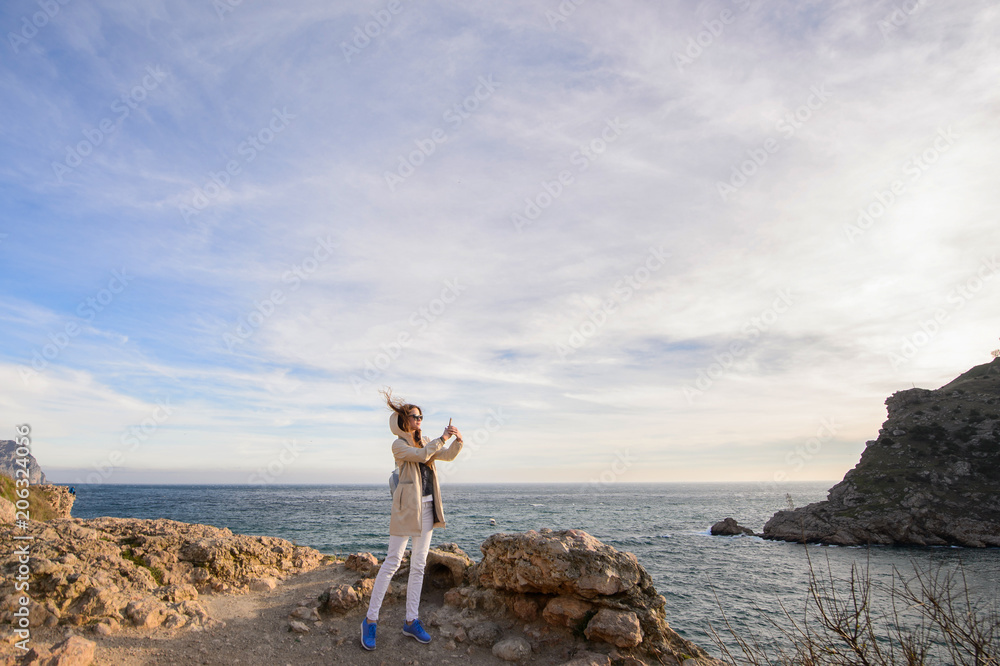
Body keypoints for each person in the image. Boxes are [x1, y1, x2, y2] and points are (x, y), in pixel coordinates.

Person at [361, 389, 463, 651]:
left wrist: (457, 441)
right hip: (407, 510)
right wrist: (441, 439)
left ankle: (411, 620)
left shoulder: (427, 440)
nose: (419, 420)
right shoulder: (399, 445)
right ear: (404, 421)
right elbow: (420, 456)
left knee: (418, 565)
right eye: (415, 416)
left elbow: (445, 455)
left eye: (421, 416)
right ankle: (370, 620)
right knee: (392, 562)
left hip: (428, 508)